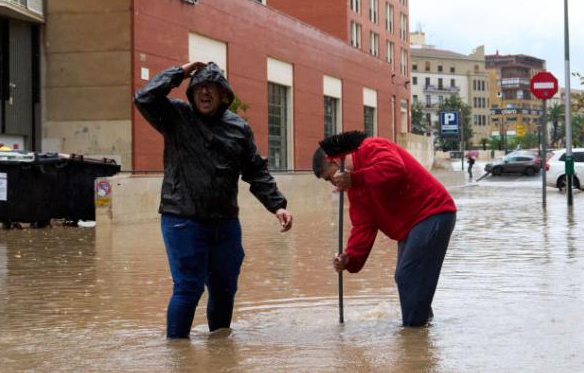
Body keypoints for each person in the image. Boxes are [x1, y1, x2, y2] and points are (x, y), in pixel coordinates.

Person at [134, 61, 294, 339]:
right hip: (182, 218)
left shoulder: (238, 128)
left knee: (224, 286)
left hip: (224, 223)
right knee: (189, 286)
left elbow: (256, 171)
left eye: (212, 88)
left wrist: (277, 205)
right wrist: (181, 72)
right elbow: (144, 97)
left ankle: (220, 348)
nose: (205, 93)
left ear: (224, 95)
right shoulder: (176, 116)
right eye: (199, 88)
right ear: (192, 92)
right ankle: (178, 355)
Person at [312, 131, 456, 327]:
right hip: (410, 226)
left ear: (337, 161)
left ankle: (413, 337)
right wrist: (350, 258)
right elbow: (363, 226)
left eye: (331, 178)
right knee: (407, 279)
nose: (334, 185)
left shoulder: (371, 147)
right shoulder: (355, 191)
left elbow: (394, 167)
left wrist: (356, 179)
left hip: (433, 212)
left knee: (407, 274)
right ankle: (421, 334)